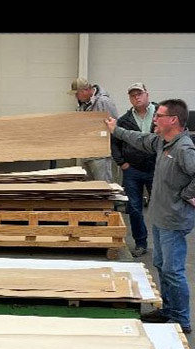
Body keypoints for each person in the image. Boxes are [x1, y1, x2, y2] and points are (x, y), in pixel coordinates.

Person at [106, 99, 195, 334]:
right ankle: (168, 310)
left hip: (173, 220)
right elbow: (140, 139)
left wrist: (185, 195)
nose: (154, 119)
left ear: (172, 120)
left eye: (159, 116)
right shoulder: (162, 142)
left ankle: (181, 319)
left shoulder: (183, 148)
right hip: (158, 216)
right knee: (161, 265)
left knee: (173, 270)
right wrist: (117, 130)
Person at [112, 82, 158, 257]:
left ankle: (162, 244)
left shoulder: (162, 114)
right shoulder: (124, 120)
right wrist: (122, 163)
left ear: (147, 94)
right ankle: (140, 243)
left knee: (160, 208)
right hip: (133, 170)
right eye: (132, 95)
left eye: (139, 94)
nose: (136, 97)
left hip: (156, 169)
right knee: (134, 208)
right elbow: (114, 142)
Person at [71, 77, 119, 183]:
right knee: (89, 189)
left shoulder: (104, 101)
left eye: (77, 93)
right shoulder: (82, 105)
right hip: (86, 152)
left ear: (86, 90)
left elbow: (114, 126)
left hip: (100, 155)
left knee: (103, 186)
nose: (75, 96)